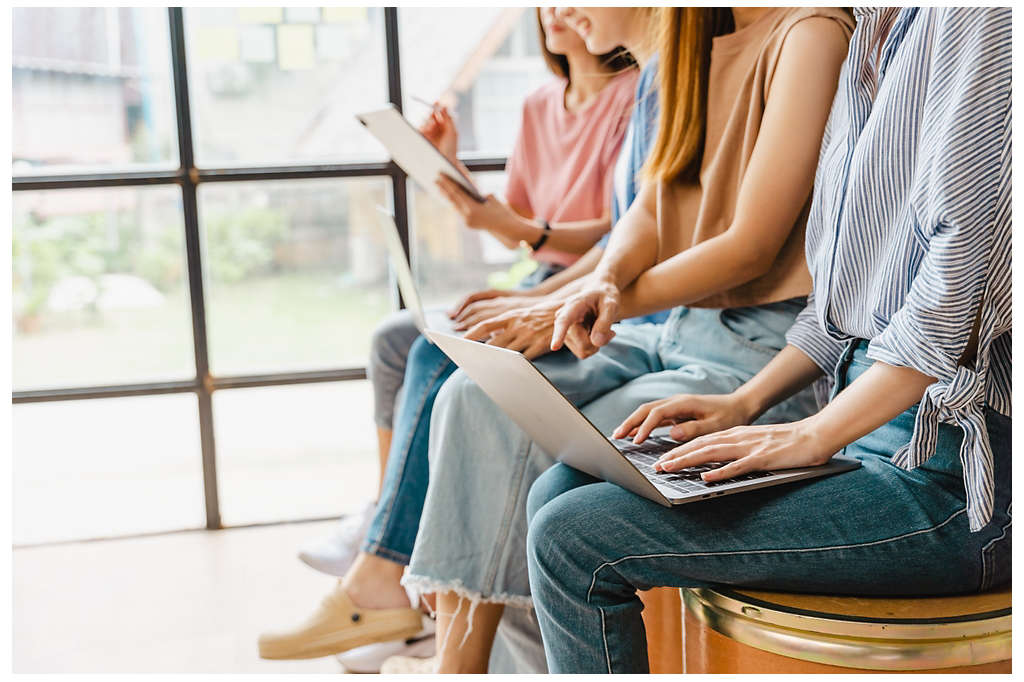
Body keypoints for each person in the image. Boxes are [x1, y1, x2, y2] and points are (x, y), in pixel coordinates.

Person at [526, 6, 1012, 673]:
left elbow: (951, 300)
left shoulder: (977, 19)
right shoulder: (871, 30)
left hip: (955, 482)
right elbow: (836, 306)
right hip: (864, 430)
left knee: (572, 536)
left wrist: (811, 435)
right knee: (560, 487)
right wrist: (745, 404)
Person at [403, 6, 854, 673]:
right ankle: (460, 665)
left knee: (547, 465)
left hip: (757, 352)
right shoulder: (695, 42)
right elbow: (649, 205)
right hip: (672, 330)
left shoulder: (811, 32)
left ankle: (462, 667)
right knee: (475, 396)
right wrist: (604, 283)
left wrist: (594, 299)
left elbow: (750, 247)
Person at [259, 7, 638, 661]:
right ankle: (386, 529)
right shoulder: (539, 104)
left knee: (442, 349)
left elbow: (619, 234)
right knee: (392, 341)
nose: (554, 12)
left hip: (589, 281)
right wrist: (453, 170)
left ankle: (387, 572)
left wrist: (532, 276)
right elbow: (512, 221)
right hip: (545, 271)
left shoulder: (637, 96)